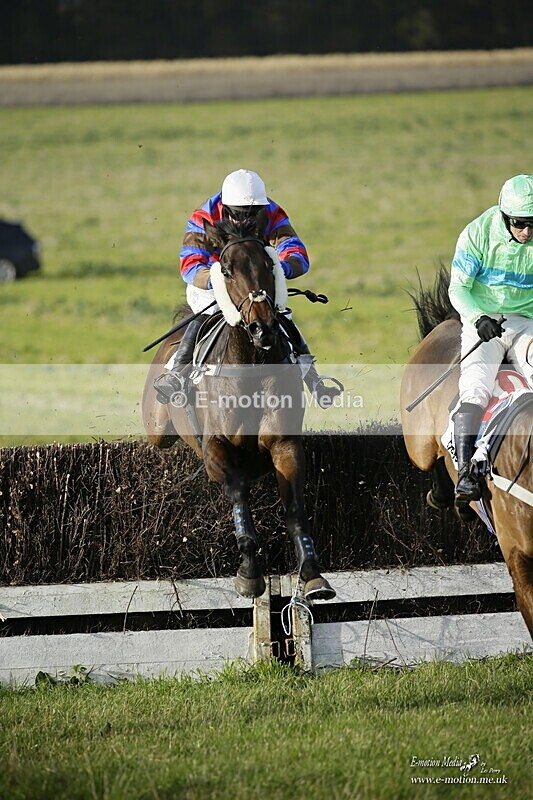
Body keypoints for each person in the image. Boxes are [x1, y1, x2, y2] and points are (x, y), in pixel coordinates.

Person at [154, 169, 341, 404]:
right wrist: (219, 279)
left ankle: (314, 381)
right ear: (226, 207)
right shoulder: (205, 216)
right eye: (240, 214)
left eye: (253, 213)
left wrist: (279, 268)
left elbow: (296, 251)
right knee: (207, 313)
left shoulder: (271, 212)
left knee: (280, 314)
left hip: (254, 282)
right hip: (214, 282)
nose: (246, 219)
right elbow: (190, 264)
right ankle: (176, 374)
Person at [448, 173, 533, 504]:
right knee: (475, 388)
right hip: (485, 324)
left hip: (527, 322)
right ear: (504, 215)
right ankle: (466, 474)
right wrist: (477, 318)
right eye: (521, 223)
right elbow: (458, 288)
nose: (528, 232)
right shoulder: (476, 233)